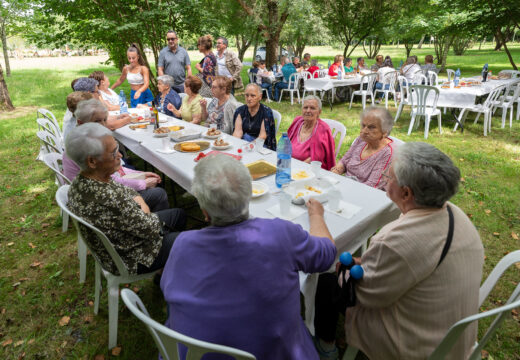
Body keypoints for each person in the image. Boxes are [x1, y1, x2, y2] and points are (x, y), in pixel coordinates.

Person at [161, 153, 337, 360]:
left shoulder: (182, 244)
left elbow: (168, 290)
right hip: (276, 351)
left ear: (204, 212)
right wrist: (316, 215)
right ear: (249, 195)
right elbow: (327, 254)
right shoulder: (280, 234)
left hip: (192, 353)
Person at [345, 142, 484, 359]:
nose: (383, 179)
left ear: (406, 192)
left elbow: (364, 295)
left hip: (420, 348)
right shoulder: (455, 214)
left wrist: (344, 271)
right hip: (454, 334)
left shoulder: (395, 241)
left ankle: (325, 344)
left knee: (329, 284)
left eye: (388, 177)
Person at [66, 123, 186, 276]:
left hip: (122, 241)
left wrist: (140, 201)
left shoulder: (83, 180)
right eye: (113, 152)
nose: (120, 156)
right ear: (92, 161)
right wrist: (144, 209)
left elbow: (127, 190)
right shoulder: (109, 197)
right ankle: (169, 277)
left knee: (179, 214)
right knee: (186, 240)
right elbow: (150, 228)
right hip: (131, 256)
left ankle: (167, 269)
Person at [63, 99, 169, 212]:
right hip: (98, 199)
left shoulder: (88, 138)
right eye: (97, 121)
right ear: (80, 122)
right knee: (159, 193)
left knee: (154, 183)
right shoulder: (86, 146)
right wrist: (142, 184)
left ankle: (157, 215)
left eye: (104, 120)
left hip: (104, 190)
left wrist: (141, 174)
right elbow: (112, 179)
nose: (103, 125)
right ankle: (160, 221)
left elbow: (117, 171)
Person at [331, 107, 395, 190]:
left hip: (365, 194)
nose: (364, 131)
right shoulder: (361, 140)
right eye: (363, 125)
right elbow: (344, 160)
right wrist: (335, 171)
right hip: (345, 186)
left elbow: (372, 186)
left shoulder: (387, 153)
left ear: (385, 131)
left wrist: (345, 187)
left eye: (371, 127)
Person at [287, 96, 336, 170]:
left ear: (319, 112)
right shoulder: (297, 122)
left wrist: (296, 168)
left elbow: (316, 159)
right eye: (305, 107)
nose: (308, 111)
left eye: (312, 108)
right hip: (288, 164)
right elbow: (285, 143)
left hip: (308, 170)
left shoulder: (322, 129)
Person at [233, 84, 277, 150]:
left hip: (261, 146)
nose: (249, 98)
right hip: (243, 143)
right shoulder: (240, 111)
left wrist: (247, 147)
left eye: (253, 96)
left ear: (260, 97)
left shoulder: (266, 112)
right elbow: (237, 133)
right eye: (247, 95)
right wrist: (236, 146)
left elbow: (262, 137)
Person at [111, 44, 154, 108]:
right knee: (136, 114)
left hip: (144, 93)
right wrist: (110, 89)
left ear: (138, 56)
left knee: (145, 114)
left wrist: (139, 91)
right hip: (133, 94)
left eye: (133, 58)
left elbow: (146, 83)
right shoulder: (126, 68)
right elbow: (120, 80)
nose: (131, 60)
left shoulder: (143, 69)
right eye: (129, 58)